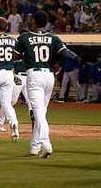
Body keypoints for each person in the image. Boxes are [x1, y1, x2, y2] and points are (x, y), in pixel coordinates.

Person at [14, 11, 73, 158]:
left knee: (38, 112)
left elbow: (15, 56)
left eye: (31, 19)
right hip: (49, 76)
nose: (30, 21)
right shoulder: (53, 38)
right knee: (41, 111)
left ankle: (46, 144)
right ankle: (35, 147)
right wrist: (57, 65)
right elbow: (66, 54)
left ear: (34, 21)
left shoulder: (25, 37)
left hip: (34, 75)